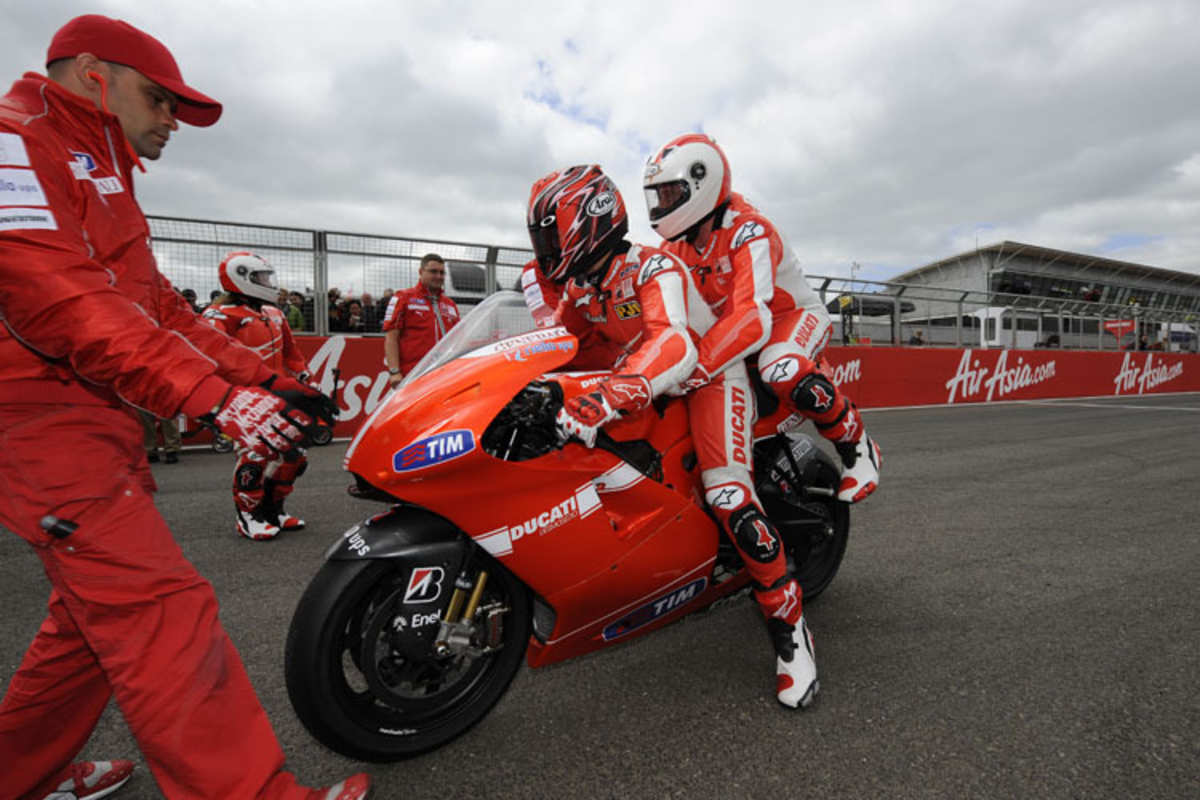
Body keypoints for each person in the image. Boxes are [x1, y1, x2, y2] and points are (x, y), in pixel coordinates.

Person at [0, 14, 369, 800]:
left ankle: (14, 776)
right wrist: (215, 399)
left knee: (87, 626)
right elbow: (59, 300)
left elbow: (157, 307)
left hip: (88, 422)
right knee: (160, 611)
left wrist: (263, 380)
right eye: (161, 99)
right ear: (93, 72)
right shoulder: (13, 142)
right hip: (35, 424)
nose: (172, 120)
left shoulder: (97, 164)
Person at [642, 133, 884, 707]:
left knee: (780, 366)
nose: (660, 207)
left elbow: (751, 316)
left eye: (671, 193)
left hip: (785, 323)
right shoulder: (673, 250)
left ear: (702, 186)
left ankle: (855, 443)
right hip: (722, 353)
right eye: (654, 196)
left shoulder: (748, 229)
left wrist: (692, 368)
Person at [526, 163, 703, 443]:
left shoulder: (653, 266)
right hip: (649, 387)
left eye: (551, 236)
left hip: (705, 381)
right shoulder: (579, 287)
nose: (546, 248)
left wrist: (607, 398)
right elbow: (564, 345)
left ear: (584, 222)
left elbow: (674, 342)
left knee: (723, 483)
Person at [203, 252, 313, 541]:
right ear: (241, 277)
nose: (267, 283)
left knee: (295, 456)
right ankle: (247, 515)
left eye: (266, 277)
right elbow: (212, 358)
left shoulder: (275, 314)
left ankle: (273, 509)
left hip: (279, 395)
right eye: (261, 278)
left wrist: (303, 377)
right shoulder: (218, 316)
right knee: (256, 454)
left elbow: (293, 353)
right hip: (244, 399)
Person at [382, 253, 460, 385]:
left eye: (442, 273)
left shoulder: (450, 304)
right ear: (421, 272)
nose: (438, 276)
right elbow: (391, 337)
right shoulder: (403, 298)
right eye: (433, 272)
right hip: (413, 374)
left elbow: (459, 339)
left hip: (445, 374)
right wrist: (394, 372)